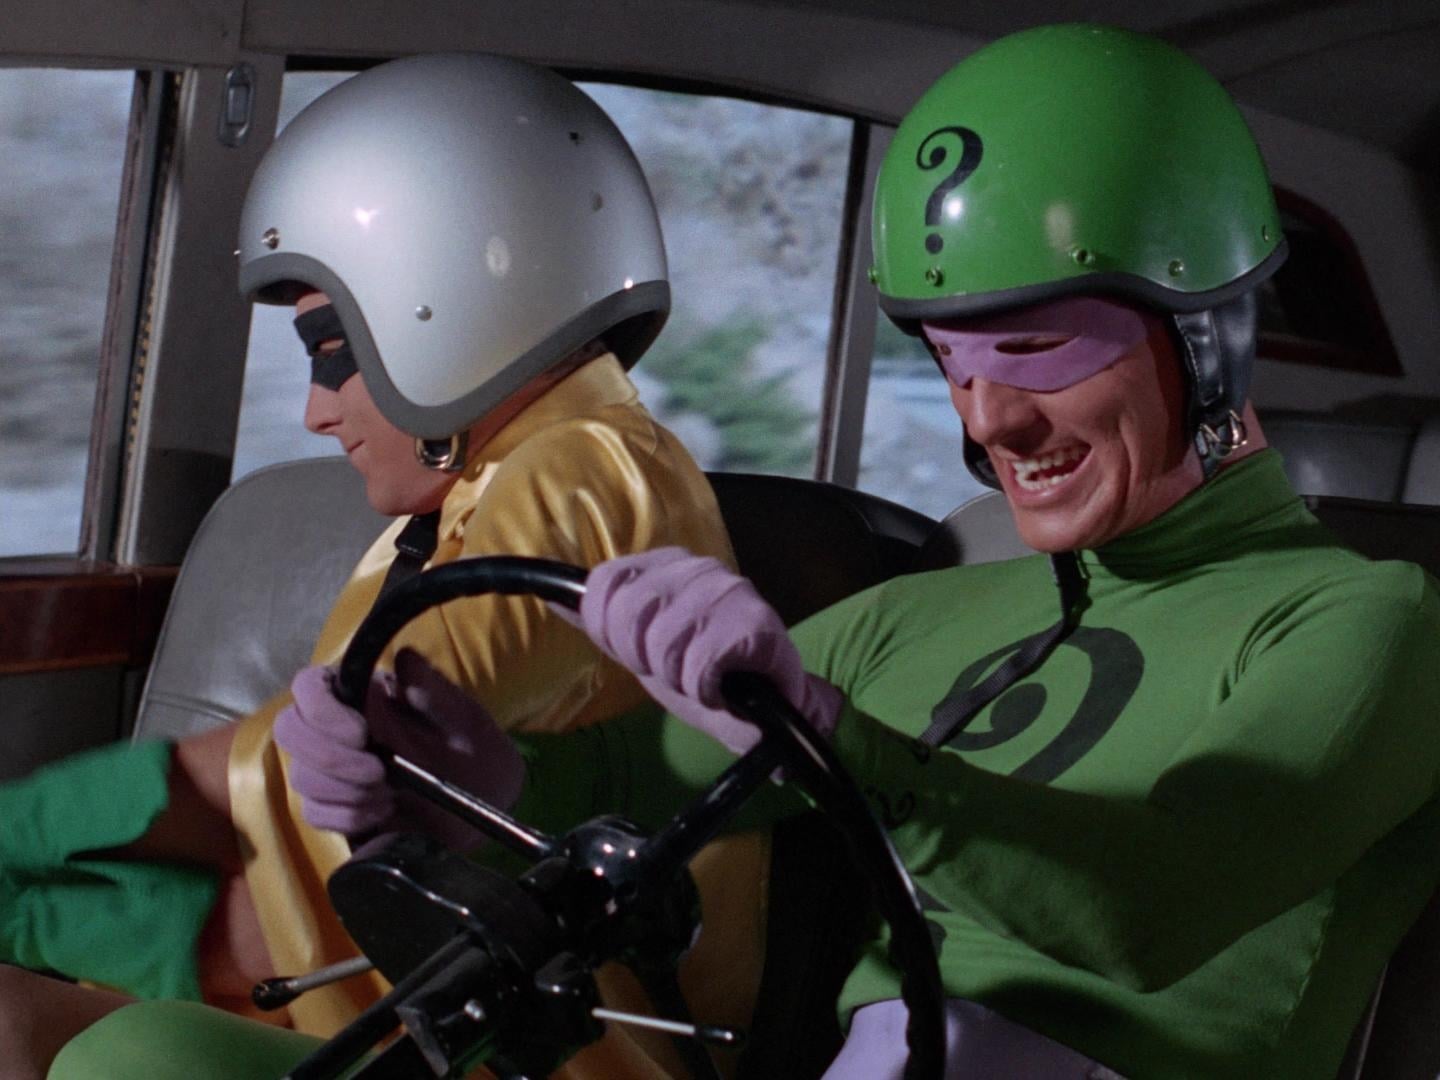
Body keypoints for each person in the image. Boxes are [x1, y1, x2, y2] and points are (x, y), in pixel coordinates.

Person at [44, 23, 1440, 1080]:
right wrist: (451, 778)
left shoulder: (1369, 622)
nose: (989, 420)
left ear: (1210, 326)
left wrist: (839, 736)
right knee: (141, 1055)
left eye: (1035, 347)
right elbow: (638, 789)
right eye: (951, 362)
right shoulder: (923, 621)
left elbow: (1160, 905)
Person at [1, 52, 764, 1080]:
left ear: (445, 306)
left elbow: (373, 753)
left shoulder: (585, 475)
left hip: (530, 1047)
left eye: (332, 351)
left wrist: (55, 876)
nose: (317, 412)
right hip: (413, 1001)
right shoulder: (478, 492)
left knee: (112, 1048)